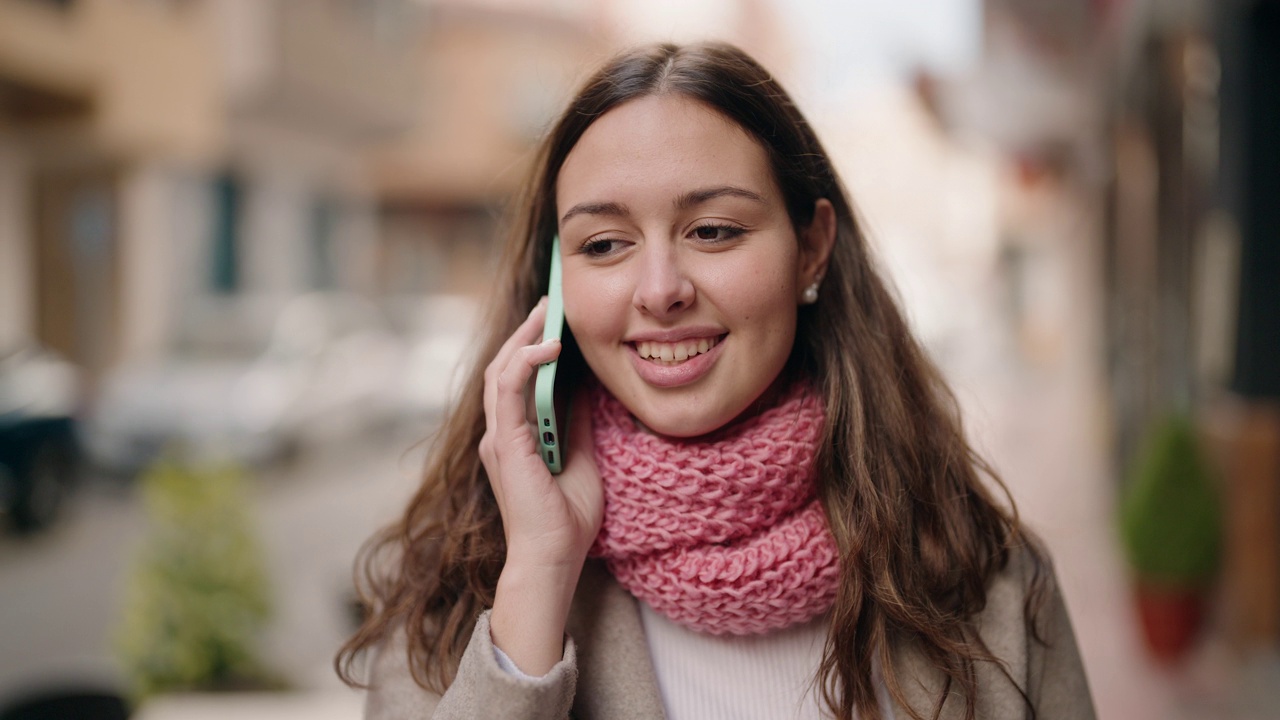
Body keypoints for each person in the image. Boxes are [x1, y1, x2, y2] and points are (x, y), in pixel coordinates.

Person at [336, 41, 1096, 720]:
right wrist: (538, 570)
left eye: (714, 230)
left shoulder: (988, 580)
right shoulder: (456, 589)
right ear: (556, 286)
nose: (660, 289)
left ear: (812, 249)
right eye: (604, 244)